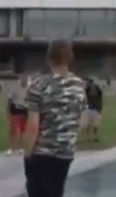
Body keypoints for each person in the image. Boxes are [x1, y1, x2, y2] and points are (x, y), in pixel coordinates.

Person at [24, 40, 87, 197]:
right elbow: (83, 121)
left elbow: (33, 125)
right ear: (70, 58)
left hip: (42, 153)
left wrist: (27, 153)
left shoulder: (39, 86)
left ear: (48, 58)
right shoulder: (79, 86)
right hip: (65, 152)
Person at [7, 75, 29, 155]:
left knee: (23, 130)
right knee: (13, 130)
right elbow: (10, 100)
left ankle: (21, 148)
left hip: (24, 109)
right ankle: (11, 148)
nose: (25, 81)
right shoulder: (15, 87)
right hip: (16, 109)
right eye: (24, 79)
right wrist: (8, 111)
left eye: (26, 79)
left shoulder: (28, 89)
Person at [84, 78, 104, 142]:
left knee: (88, 124)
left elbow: (85, 97)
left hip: (90, 107)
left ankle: (88, 137)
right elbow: (100, 97)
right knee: (95, 124)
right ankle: (95, 137)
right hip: (95, 107)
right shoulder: (96, 88)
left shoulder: (87, 88)